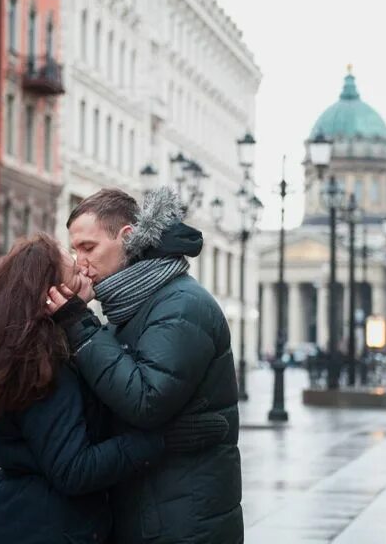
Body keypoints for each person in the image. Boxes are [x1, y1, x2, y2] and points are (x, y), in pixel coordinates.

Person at [0, 232, 229, 544]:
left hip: (33, 519)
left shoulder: (40, 349)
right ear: (52, 294)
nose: (86, 269)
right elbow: (74, 469)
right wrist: (161, 440)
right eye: (75, 270)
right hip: (43, 527)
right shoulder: (42, 363)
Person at [47, 187, 243, 544]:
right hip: (153, 506)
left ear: (126, 238)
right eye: (75, 249)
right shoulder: (131, 305)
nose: (79, 261)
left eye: (88, 247)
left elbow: (145, 400)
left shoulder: (180, 305)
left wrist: (80, 326)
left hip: (183, 518)